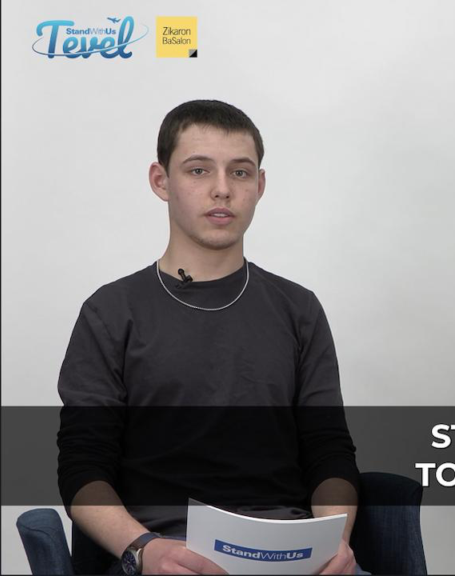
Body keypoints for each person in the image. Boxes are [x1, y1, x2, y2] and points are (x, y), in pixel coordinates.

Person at [57, 100, 361, 575]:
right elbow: (82, 468)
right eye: (198, 170)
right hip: (165, 554)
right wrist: (142, 549)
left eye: (240, 174)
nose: (222, 190)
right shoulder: (110, 313)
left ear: (259, 186)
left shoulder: (299, 309)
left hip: (289, 553)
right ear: (161, 181)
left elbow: (330, 450)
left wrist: (334, 542)